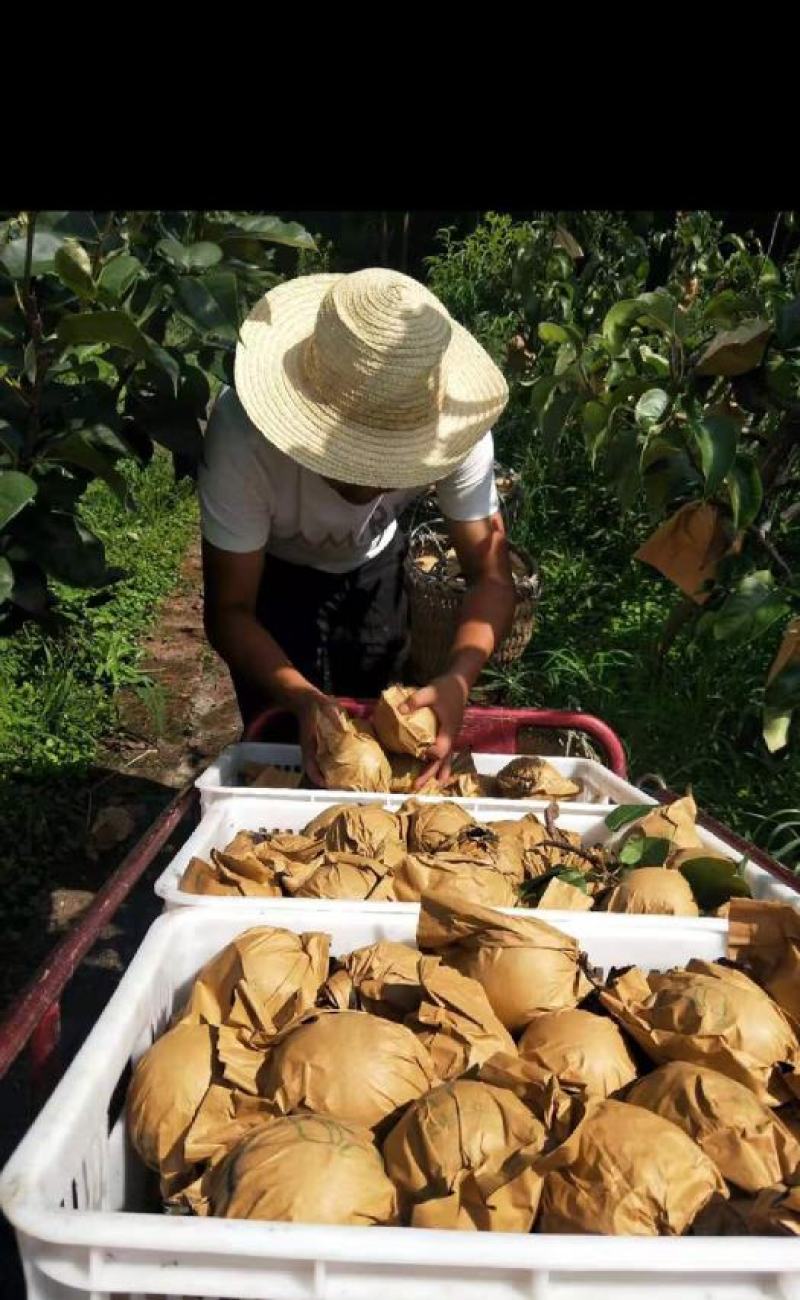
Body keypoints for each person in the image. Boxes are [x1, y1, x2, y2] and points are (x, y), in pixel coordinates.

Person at [199, 267, 516, 787]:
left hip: (375, 571)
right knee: (286, 748)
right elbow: (230, 611)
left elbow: (491, 574)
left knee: (387, 745)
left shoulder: (457, 435)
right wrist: (300, 697)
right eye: (351, 464)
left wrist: (459, 678)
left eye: (390, 469)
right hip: (271, 581)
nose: (370, 489)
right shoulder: (243, 441)